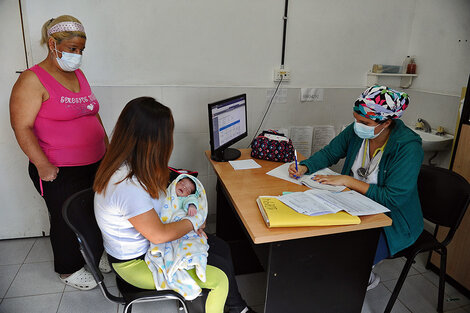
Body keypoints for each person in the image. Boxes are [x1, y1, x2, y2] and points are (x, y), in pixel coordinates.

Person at [94, 97, 255, 313]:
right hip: (136, 263)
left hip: (151, 245)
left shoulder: (132, 165)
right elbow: (159, 235)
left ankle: (237, 307)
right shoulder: (126, 185)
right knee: (219, 279)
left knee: (221, 247)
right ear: (154, 142)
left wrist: (187, 218)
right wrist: (193, 221)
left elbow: (161, 208)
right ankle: (234, 307)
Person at [289, 85, 424, 290]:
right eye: (355, 119)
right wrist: (307, 166)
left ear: (386, 123)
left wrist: (349, 181)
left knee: (346, 264)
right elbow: (330, 153)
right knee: (317, 242)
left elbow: (393, 199)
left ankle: (362, 280)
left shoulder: (408, 147)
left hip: (392, 221)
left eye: (364, 122)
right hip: (353, 204)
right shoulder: (357, 132)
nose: (357, 125)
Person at [9, 15, 109, 290]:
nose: (78, 55)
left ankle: (95, 252)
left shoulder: (78, 74)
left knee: (94, 211)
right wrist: (42, 165)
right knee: (65, 217)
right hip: (58, 167)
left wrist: (108, 148)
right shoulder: (32, 80)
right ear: (53, 44)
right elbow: (22, 127)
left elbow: (93, 114)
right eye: (73, 49)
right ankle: (68, 269)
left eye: (81, 50)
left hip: (95, 161)